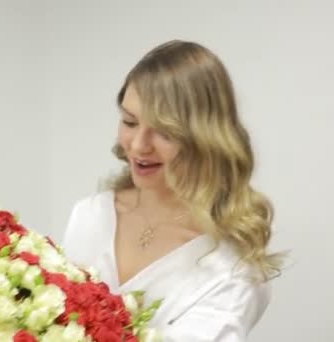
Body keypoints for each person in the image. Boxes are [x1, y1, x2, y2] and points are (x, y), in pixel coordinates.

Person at [62, 39, 284, 341]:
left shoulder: (230, 270)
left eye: (165, 131)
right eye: (130, 121)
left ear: (207, 138)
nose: (139, 145)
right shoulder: (90, 216)